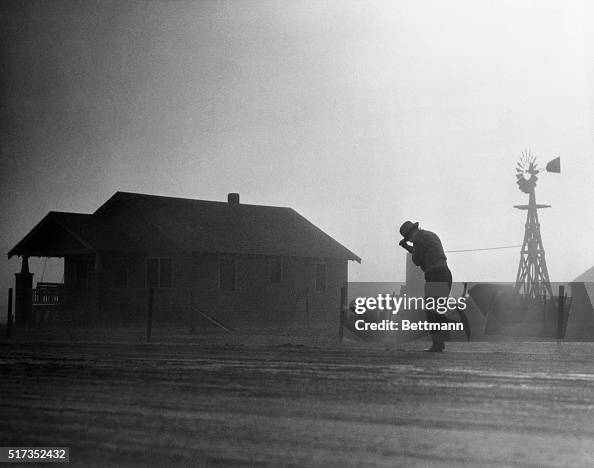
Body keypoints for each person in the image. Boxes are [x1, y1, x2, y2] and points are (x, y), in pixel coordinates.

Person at [398, 220, 468, 352]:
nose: (411, 242)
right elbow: (421, 252)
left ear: (410, 235)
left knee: (432, 310)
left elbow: (417, 260)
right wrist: (407, 247)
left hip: (435, 275)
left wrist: (407, 247)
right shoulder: (429, 235)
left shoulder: (418, 239)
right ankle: (440, 342)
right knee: (437, 309)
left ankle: (438, 343)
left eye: (409, 239)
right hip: (444, 273)